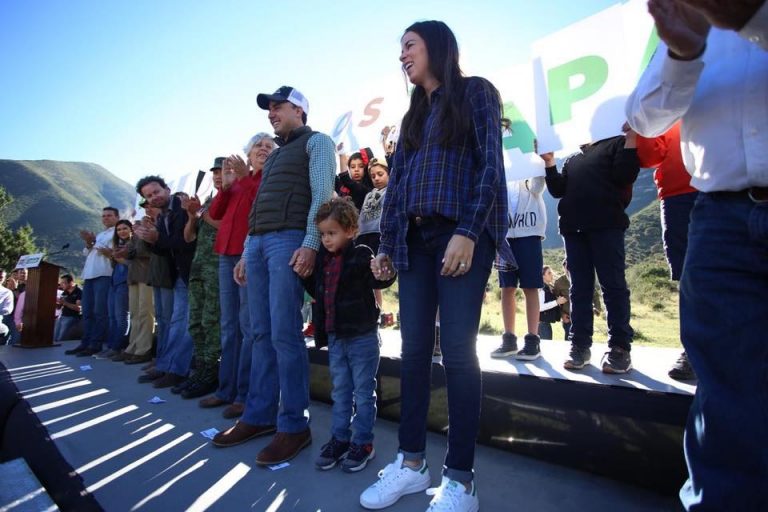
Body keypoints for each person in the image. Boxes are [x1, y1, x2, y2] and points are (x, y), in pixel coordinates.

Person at [362, 21, 513, 512]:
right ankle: (410, 465)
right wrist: (386, 242)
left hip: (461, 234)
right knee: (413, 354)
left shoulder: (476, 93)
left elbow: (491, 165)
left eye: (409, 45)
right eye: (399, 49)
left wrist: (469, 232)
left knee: (458, 353)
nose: (402, 55)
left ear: (437, 46)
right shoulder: (412, 115)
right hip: (414, 242)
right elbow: (398, 184)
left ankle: (461, 480)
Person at [625, 1, 768, 509]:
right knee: (725, 402)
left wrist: (751, 18)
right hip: (720, 221)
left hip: (707, 213)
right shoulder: (692, 18)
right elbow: (642, 114)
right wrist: (683, 53)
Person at [212, 85, 335, 468]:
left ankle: (294, 424)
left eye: (278, 106)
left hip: (289, 241)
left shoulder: (318, 142)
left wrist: (311, 243)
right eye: (269, 108)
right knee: (260, 333)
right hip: (262, 245)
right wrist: (247, 254)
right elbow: (257, 212)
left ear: (299, 109)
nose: (271, 112)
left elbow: (323, 194)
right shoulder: (275, 156)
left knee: (284, 333)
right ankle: (259, 415)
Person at [304, 198, 396, 473]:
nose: (326, 239)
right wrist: (302, 273)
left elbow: (379, 279)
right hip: (335, 338)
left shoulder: (361, 254)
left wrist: (384, 270)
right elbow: (317, 289)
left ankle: (363, 443)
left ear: (350, 231)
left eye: (331, 233)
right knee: (341, 392)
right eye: (322, 234)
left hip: (362, 337)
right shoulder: (322, 259)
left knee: (364, 393)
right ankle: (340, 439)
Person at [544, 127, 639, 374]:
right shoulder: (572, 159)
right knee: (580, 290)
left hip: (607, 226)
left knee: (613, 286)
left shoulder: (615, 144)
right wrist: (550, 163)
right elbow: (557, 190)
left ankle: (619, 348)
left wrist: (631, 139)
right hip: (574, 230)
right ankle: (579, 346)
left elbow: (625, 175)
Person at [202, 134, 274, 418]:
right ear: (248, 152)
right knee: (229, 324)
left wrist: (243, 179)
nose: (264, 150)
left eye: (269, 147)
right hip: (225, 254)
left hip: (249, 256)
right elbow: (216, 213)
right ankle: (225, 389)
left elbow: (262, 206)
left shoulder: (266, 179)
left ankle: (245, 394)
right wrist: (226, 186)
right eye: (259, 146)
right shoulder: (239, 181)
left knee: (248, 326)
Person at [633, 122, 698, 380]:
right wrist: (641, 126)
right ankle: (691, 351)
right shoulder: (663, 103)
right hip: (677, 194)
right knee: (687, 276)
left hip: (727, 185)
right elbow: (650, 156)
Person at [135, 176, 197, 389]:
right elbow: (164, 249)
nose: (154, 197)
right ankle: (168, 366)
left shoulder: (182, 207)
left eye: (156, 192)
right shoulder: (161, 217)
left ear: (167, 189)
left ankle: (177, 369)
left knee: (185, 324)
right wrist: (149, 240)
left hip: (194, 273)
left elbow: (186, 243)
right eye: (149, 196)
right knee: (176, 322)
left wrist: (156, 239)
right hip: (179, 274)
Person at [490, 174, 547, 361]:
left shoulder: (529, 177)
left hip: (529, 235)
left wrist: (538, 164)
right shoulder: (502, 175)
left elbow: (537, 187)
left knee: (530, 286)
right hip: (505, 237)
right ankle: (509, 339)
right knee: (507, 287)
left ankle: (532, 340)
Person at [179, 158, 223, 399]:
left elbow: (226, 226)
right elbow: (188, 237)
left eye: (223, 171)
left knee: (211, 322)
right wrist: (192, 216)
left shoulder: (231, 198)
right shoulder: (207, 202)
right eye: (215, 172)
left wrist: (201, 214)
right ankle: (201, 369)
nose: (218, 176)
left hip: (217, 268)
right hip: (198, 268)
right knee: (195, 323)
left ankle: (211, 372)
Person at [66, 207, 118, 356]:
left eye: (109, 216)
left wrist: (94, 242)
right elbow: (87, 252)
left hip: (104, 274)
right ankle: (85, 342)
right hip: (89, 276)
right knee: (87, 312)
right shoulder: (101, 234)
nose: (105, 218)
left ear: (117, 217)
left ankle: (96, 344)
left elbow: (112, 252)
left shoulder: (118, 232)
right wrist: (89, 242)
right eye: (103, 216)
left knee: (100, 312)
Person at [114, 213, 154, 364]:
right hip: (133, 278)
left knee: (145, 313)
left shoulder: (146, 232)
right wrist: (121, 253)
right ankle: (133, 346)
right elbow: (131, 255)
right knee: (135, 314)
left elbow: (147, 252)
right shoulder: (132, 239)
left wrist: (129, 251)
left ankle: (143, 350)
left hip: (146, 276)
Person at [357, 157, 391, 318]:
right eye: (373, 176)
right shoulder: (368, 195)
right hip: (363, 236)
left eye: (380, 174)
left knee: (376, 276)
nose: (376, 178)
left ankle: (377, 314)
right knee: (364, 278)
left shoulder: (391, 191)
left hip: (379, 235)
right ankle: (367, 313)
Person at [95, 219, 132, 359]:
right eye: (119, 229)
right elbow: (116, 264)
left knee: (121, 316)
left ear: (131, 230)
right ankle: (111, 346)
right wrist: (112, 256)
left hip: (125, 282)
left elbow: (131, 264)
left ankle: (119, 347)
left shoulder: (133, 245)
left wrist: (113, 256)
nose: (121, 232)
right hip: (114, 282)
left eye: (125, 228)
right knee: (112, 317)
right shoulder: (119, 245)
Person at [552, 258, 602, 341]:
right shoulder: (559, 282)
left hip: (584, 316)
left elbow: (595, 294)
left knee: (585, 340)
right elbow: (555, 299)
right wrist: (562, 314)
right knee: (569, 342)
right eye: (566, 267)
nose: (568, 270)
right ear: (563, 268)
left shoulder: (584, 278)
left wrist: (597, 309)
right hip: (568, 318)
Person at [336, 146, 374, 210]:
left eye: (361, 166)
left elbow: (345, 178)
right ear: (349, 169)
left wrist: (341, 153)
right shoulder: (341, 185)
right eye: (353, 167)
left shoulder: (366, 188)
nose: (356, 169)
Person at [538, 266, 565, 341]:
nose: (551, 275)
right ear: (543, 276)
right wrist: (557, 302)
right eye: (549, 273)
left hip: (545, 324)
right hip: (542, 324)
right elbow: (540, 307)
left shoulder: (548, 287)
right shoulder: (541, 289)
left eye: (551, 273)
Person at [54, 274, 82, 342]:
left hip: (72, 317)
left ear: (71, 282)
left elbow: (79, 308)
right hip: (62, 317)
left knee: (61, 339)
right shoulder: (64, 292)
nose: (61, 285)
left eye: (64, 283)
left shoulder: (79, 292)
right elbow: (59, 307)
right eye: (61, 283)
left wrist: (65, 303)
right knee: (54, 339)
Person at [0, 269, 13, 339]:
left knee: (5, 330)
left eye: (1, 277)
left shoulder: (7, 292)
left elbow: (8, 309)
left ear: (4, 279)